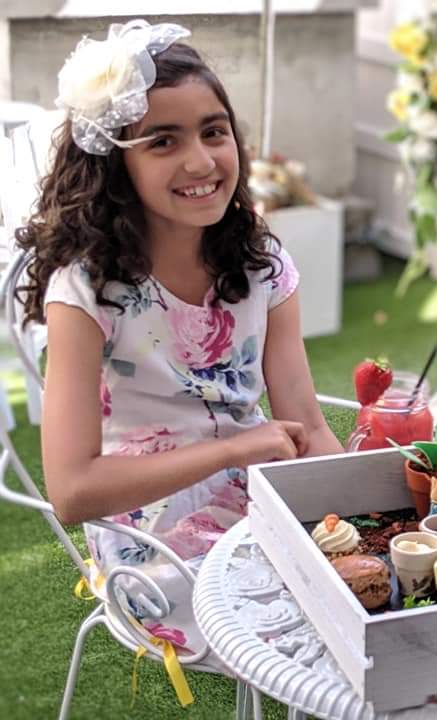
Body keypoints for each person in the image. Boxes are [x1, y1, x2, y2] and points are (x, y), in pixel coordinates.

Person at [15, 20, 342, 654]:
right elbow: (73, 491)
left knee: (373, 583)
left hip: (258, 496)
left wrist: (372, 488)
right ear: (116, 165)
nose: (201, 161)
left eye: (213, 132)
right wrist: (234, 451)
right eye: (162, 141)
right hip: (148, 538)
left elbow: (307, 422)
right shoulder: (85, 292)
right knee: (312, 619)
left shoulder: (261, 261)